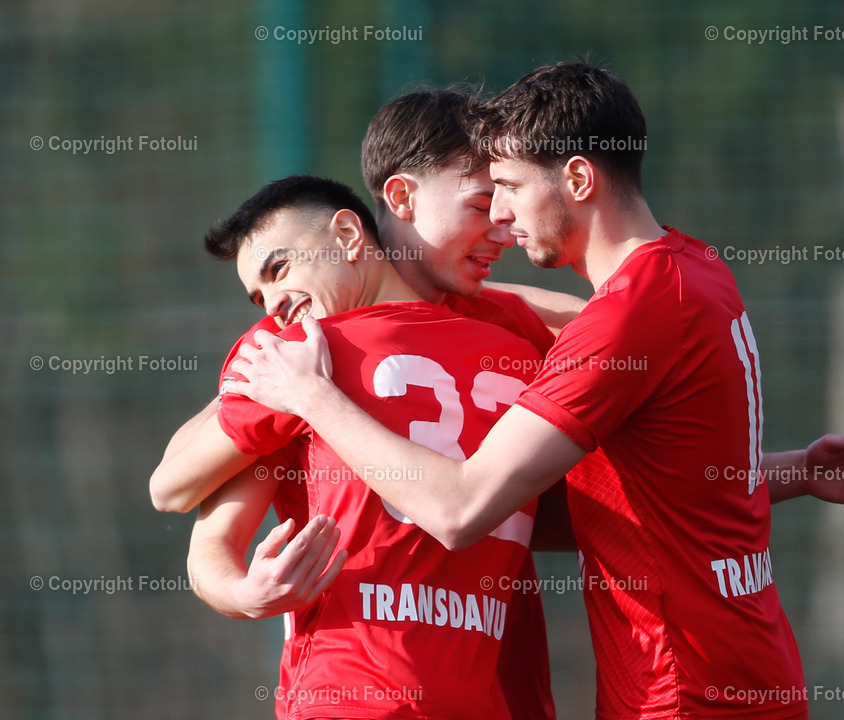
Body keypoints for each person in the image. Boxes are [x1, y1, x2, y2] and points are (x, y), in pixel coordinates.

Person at [223, 63, 844, 719]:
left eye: (506, 187)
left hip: (681, 690)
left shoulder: (622, 318)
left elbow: (460, 510)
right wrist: (793, 470)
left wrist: (311, 396)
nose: (503, 217)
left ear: (577, 178)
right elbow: (660, 493)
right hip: (745, 670)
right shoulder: (700, 269)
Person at [152, 173, 562, 719]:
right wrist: (246, 594)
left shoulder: (302, 360)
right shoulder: (294, 360)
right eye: (258, 296)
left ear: (348, 234)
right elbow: (206, 534)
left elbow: (169, 489)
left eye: (280, 270)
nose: (272, 304)